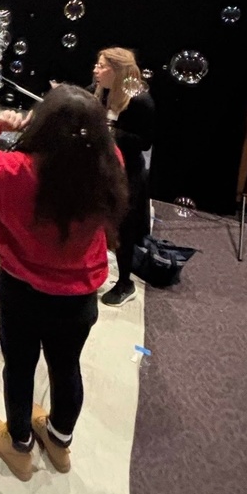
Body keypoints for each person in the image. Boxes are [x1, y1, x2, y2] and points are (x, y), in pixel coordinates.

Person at [0, 86, 128, 482]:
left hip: (21, 290)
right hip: (79, 298)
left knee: (19, 368)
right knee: (66, 366)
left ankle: (19, 443)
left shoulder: (10, 170)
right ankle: (59, 441)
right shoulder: (110, 161)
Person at [91, 47, 155, 308]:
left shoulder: (140, 101)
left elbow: (146, 142)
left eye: (102, 65)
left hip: (127, 174)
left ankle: (125, 283)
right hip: (101, 170)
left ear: (117, 72)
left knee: (123, 230)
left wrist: (112, 133)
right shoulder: (96, 91)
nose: (95, 69)